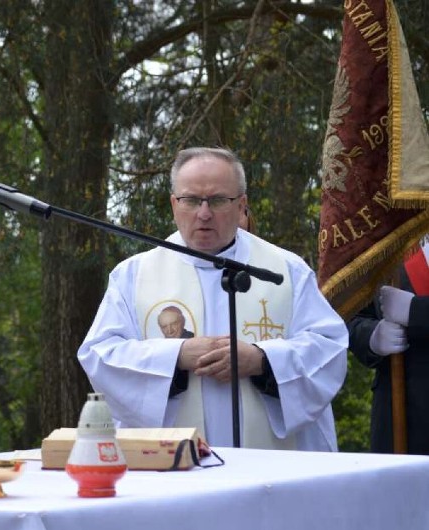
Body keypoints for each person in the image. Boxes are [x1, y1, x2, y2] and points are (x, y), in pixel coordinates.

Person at [78, 147, 347, 450]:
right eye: (191, 200)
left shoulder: (286, 270)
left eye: (218, 200)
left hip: (270, 471)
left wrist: (262, 360)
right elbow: (100, 356)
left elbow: (330, 350)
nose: (203, 213)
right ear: (173, 204)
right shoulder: (133, 275)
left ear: (241, 205)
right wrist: (177, 356)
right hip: (172, 472)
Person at [347, 242, 429, 454]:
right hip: (400, 417)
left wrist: (416, 311)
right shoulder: (384, 243)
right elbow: (352, 315)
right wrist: (372, 337)